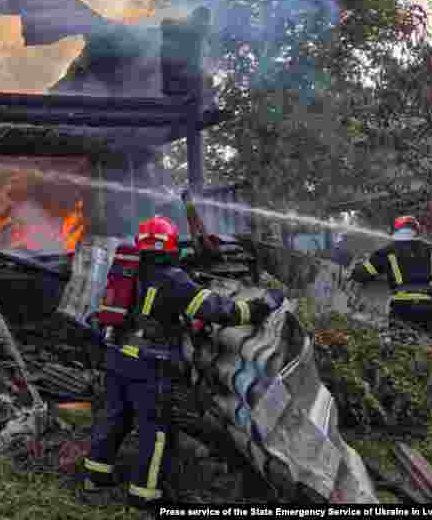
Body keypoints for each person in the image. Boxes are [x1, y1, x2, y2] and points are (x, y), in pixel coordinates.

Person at [80, 215, 283, 511]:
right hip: (149, 366)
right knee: (156, 429)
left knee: (113, 418)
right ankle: (144, 496)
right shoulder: (174, 279)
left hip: (117, 357)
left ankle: (95, 478)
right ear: (172, 246)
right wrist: (264, 303)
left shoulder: (128, 269)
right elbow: (222, 311)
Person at [350, 215, 432, 333]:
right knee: (429, 346)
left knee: (401, 345)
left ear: (395, 230)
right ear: (417, 231)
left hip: (403, 305)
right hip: (431, 306)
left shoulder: (386, 252)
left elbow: (362, 274)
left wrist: (357, 266)